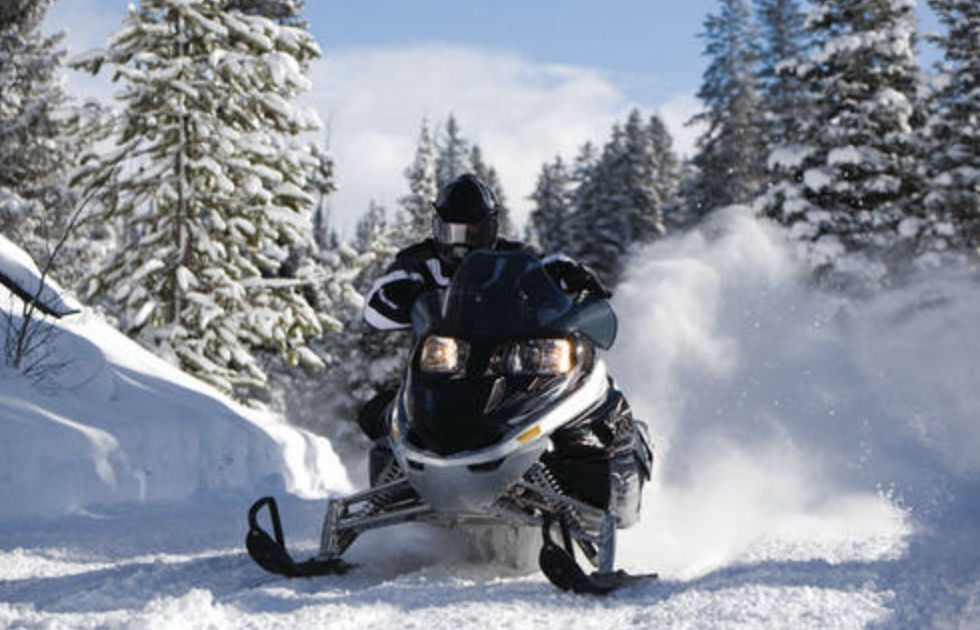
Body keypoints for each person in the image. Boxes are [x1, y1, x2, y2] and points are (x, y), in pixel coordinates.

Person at [357, 173, 650, 512]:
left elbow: (547, 267)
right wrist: (403, 296)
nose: (461, 242)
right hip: (446, 364)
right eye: (452, 232)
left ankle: (583, 487)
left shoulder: (515, 258)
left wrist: (572, 276)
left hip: (511, 362)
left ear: (491, 226)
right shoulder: (418, 261)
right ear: (438, 226)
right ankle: (396, 496)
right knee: (384, 415)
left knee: (583, 403)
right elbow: (377, 304)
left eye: (473, 232)